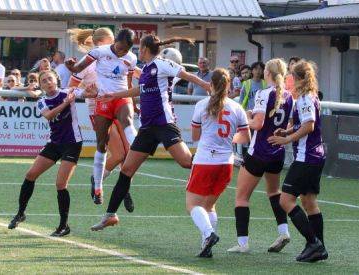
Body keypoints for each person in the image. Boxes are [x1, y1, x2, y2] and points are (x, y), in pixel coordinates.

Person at [89, 34, 210, 231]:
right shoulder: (146, 69)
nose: (138, 51)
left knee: (186, 162)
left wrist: (206, 86)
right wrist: (114, 95)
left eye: (140, 48)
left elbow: (185, 74)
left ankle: (217, 160)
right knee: (126, 170)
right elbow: (139, 91)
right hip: (147, 128)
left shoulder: (162, 64)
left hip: (164, 124)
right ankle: (110, 215)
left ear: (144, 48)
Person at [7, 70, 96, 236]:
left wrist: (91, 90)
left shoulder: (68, 91)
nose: (48, 82)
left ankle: (64, 226)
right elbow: (48, 115)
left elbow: (88, 92)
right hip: (54, 143)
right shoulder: (42, 101)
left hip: (72, 143)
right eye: (44, 81)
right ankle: (20, 213)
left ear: (56, 80)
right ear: (41, 85)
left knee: (60, 184)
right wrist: (66, 103)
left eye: (50, 78)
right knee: (30, 174)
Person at [66, 28, 138, 205]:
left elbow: (132, 77)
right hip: (98, 107)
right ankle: (97, 182)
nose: (119, 50)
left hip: (119, 100)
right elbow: (71, 87)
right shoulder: (94, 57)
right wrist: (86, 92)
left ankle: (124, 190)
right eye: (113, 41)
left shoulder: (127, 57)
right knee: (118, 154)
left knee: (129, 151)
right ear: (104, 41)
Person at [228, 58, 293, 254]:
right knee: (274, 193)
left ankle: (243, 243)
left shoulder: (264, 93)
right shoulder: (289, 96)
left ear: (268, 74)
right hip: (277, 152)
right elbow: (288, 125)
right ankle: (283, 231)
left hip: (259, 152)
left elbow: (257, 125)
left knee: (241, 198)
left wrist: (245, 116)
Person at [268, 60, 328, 262]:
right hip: (315, 156)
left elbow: (309, 126)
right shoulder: (308, 96)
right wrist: (287, 130)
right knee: (309, 202)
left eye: (292, 75)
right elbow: (303, 124)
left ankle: (313, 243)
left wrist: (286, 139)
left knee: (285, 200)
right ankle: (319, 248)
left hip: (307, 157)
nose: (289, 78)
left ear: (299, 78)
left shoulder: (304, 99)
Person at [187, 68, 250, 258]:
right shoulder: (237, 107)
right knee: (209, 206)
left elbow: (195, 136)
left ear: (211, 84)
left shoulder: (202, 104)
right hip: (226, 162)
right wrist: (228, 139)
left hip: (205, 160)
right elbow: (245, 136)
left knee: (192, 204)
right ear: (229, 85)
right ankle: (207, 246)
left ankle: (208, 234)